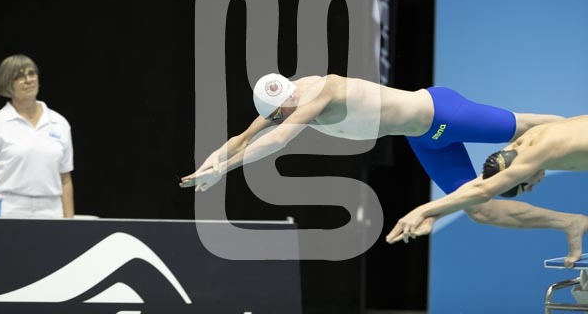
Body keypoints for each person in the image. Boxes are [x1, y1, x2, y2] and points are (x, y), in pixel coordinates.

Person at [180, 73, 587, 261]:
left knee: (533, 128)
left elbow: (278, 140)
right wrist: (212, 164)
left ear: (291, 95)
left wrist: (228, 170)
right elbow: (244, 137)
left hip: (442, 112)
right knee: (479, 210)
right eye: (278, 114)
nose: (283, 116)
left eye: (284, 111)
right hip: (423, 140)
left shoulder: (323, 91)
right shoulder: (280, 104)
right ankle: (570, 223)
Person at [386, 115, 588, 267]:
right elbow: (477, 187)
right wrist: (434, 215)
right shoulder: (521, 145)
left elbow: (483, 191)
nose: (533, 188)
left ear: (520, 175)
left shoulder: (539, 150)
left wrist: (421, 210)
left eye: (527, 186)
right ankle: (574, 223)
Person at [0, 54, 75, 218]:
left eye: (31, 73)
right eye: (19, 77)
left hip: (51, 210)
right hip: (8, 209)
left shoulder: (59, 122)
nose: (28, 80)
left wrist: (70, 222)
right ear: (7, 84)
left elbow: (65, 178)